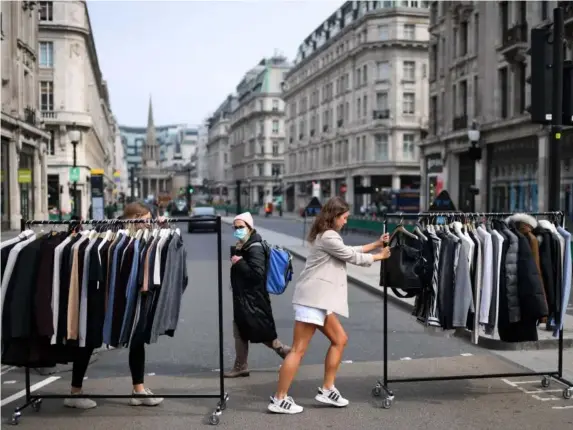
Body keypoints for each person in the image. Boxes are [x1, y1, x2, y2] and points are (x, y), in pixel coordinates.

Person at [267, 196, 391, 414]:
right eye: (344, 218)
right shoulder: (329, 236)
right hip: (313, 300)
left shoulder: (325, 235)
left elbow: (346, 249)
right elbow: (350, 256)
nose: (345, 222)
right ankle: (279, 398)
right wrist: (379, 256)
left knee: (339, 339)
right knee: (298, 350)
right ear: (334, 217)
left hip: (319, 301)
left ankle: (327, 389)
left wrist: (375, 244)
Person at [64, 201, 165, 409]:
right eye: (146, 220)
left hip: (127, 294)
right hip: (102, 295)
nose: (149, 224)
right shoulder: (110, 234)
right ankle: (74, 393)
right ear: (135, 218)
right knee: (89, 339)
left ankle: (138, 390)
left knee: (136, 340)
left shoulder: (139, 235)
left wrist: (161, 227)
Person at [225, 212, 291, 378]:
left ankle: (286, 353)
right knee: (242, 330)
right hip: (245, 298)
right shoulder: (244, 245)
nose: (237, 230)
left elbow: (257, 275)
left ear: (249, 227)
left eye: (241, 227)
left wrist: (238, 262)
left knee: (258, 330)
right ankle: (241, 365)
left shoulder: (255, 248)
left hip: (253, 299)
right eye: (235, 227)